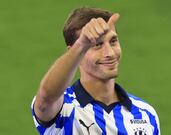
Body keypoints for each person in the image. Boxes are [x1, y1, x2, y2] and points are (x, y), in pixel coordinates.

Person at [31, 7, 160, 135]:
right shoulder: (65, 106)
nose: (109, 53)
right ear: (74, 52)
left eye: (113, 41)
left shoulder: (146, 114)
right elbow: (47, 97)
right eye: (97, 45)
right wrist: (82, 44)